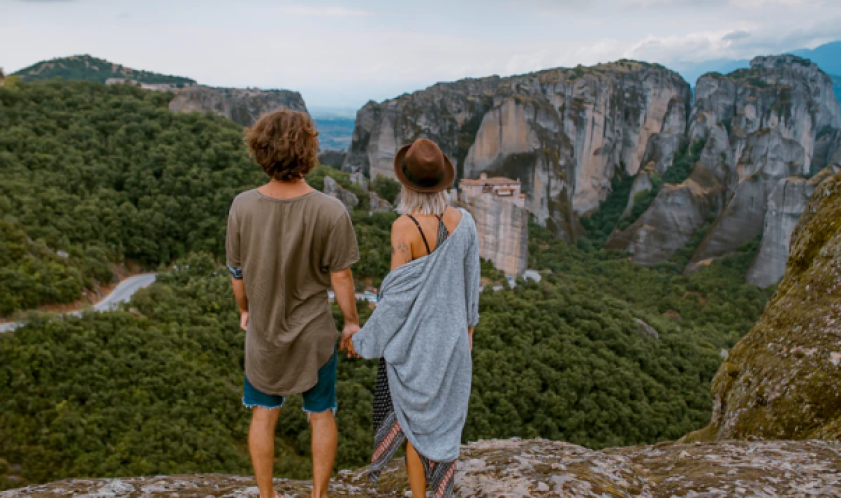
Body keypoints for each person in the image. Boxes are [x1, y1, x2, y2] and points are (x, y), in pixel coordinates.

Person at [226, 108, 361, 498]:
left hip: (264, 331)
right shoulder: (330, 210)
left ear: (261, 150)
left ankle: (267, 495)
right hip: (315, 333)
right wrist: (351, 322)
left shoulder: (242, 206)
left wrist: (245, 310)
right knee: (321, 415)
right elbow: (341, 277)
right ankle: (318, 495)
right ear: (309, 151)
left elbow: (237, 272)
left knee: (263, 414)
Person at [343, 138, 481, 498]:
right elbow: (471, 291)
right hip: (453, 345)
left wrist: (362, 342)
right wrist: (467, 338)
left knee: (412, 427)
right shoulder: (466, 223)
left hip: (415, 348)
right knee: (444, 426)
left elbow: (394, 302)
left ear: (406, 183)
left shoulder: (404, 227)